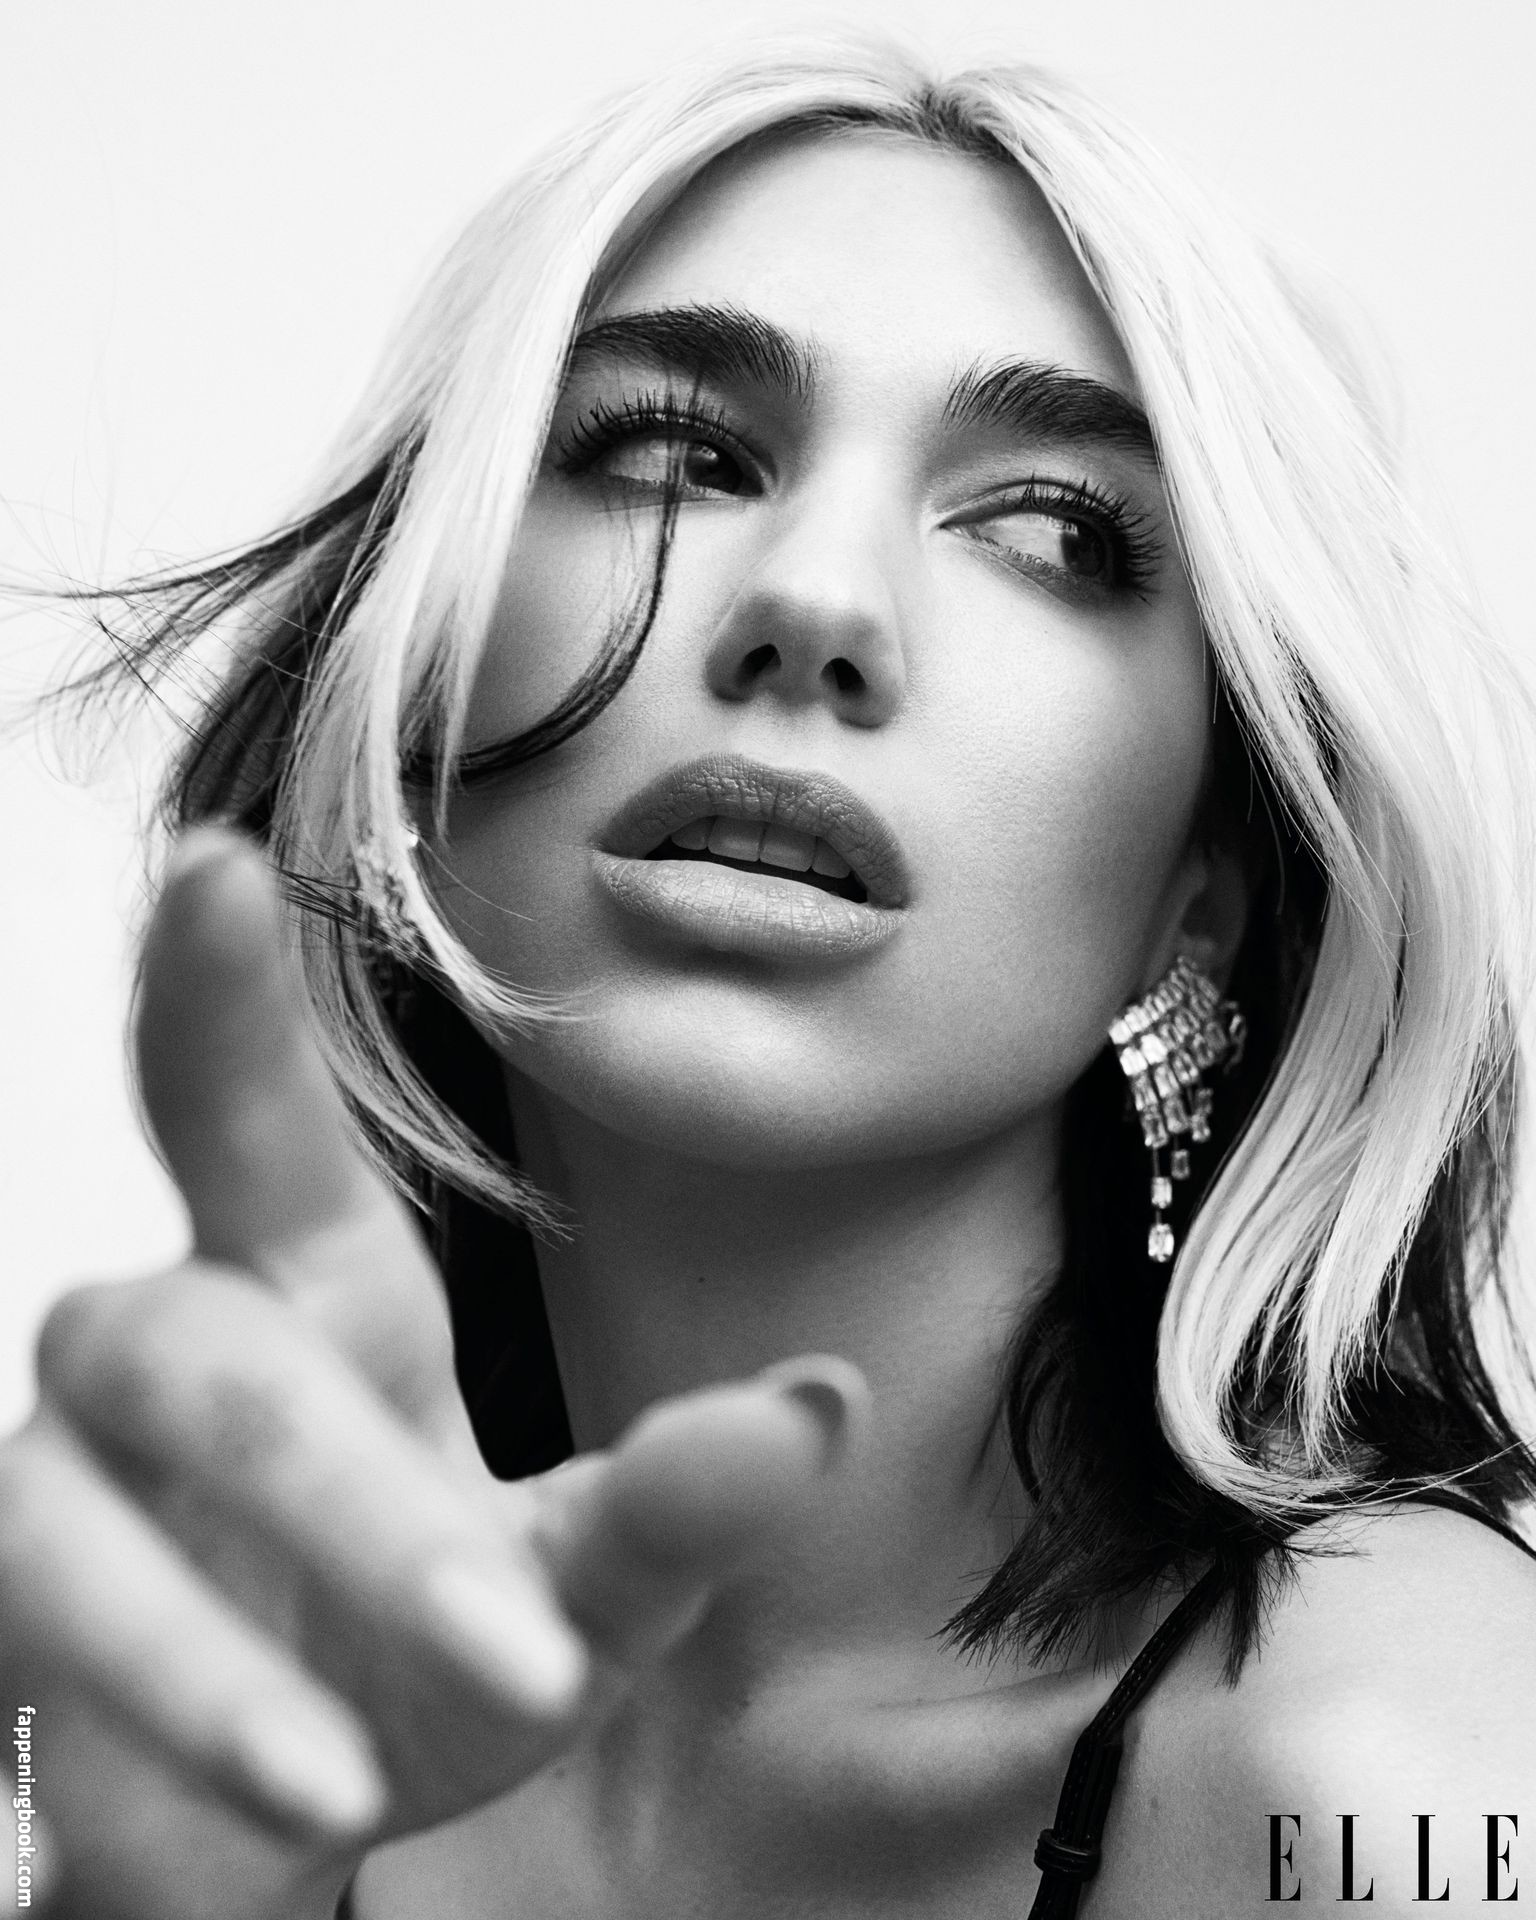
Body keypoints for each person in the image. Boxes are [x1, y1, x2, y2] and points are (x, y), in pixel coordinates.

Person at [7, 34, 1536, 1919]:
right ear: (411, 695)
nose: (815, 602)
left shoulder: (1398, 1796)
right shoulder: (188, 1701)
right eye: (675, 454)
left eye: (1052, 530)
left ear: (1204, 889)